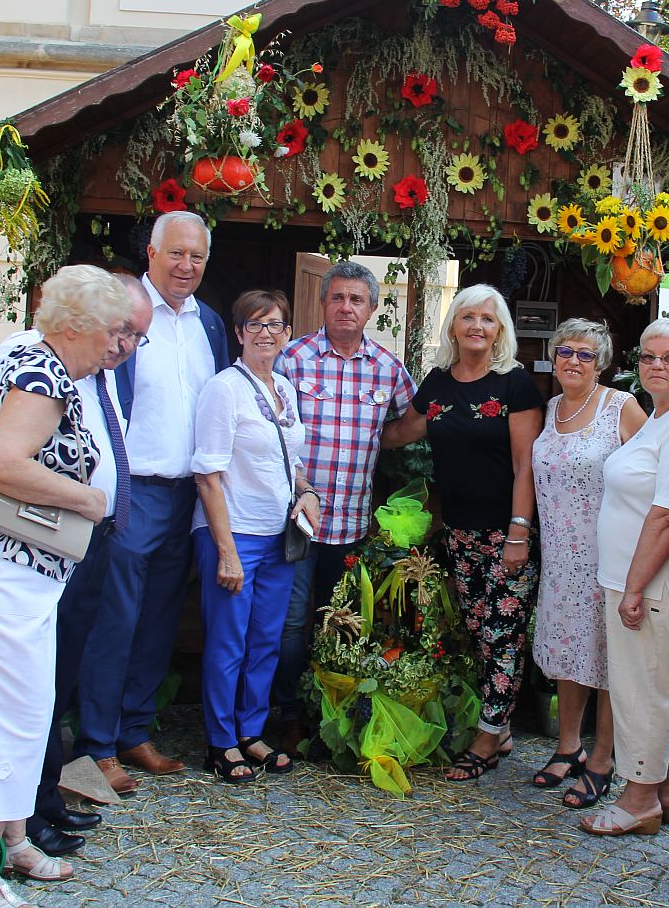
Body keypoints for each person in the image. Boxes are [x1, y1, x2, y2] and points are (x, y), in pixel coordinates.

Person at [0, 274, 152, 857]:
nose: (116, 345)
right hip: (5, 560)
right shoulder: (37, 366)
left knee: (30, 708)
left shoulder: (59, 370)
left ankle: (15, 838)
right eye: (113, 330)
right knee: (5, 715)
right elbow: (0, 460)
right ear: (76, 326)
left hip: (38, 561)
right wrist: (87, 499)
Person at [75, 211, 230, 794]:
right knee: (115, 620)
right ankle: (95, 745)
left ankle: (134, 731)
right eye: (176, 254)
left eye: (196, 257)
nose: (186, 266)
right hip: (132, 490)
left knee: (160, 619)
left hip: (187, 493)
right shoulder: (122, 315)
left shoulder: (209, 324)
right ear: (151, 252)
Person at [382, 283, 543, 780]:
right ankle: (503, 726)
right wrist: (348, 430)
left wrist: (518, 532)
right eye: (468, 316)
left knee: (503, 635)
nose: (477, 326)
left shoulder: (514, 384)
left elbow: (525, 466)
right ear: (453, 324)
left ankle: (489, 738)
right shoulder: (437, 383)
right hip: (458, 533)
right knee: (478, 633)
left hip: (506, 534)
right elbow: (397, 433)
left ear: (500, 331)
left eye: (488, 319)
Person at [581, 317, 669, 837]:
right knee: (663, 686)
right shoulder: (668, 413)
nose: (656, 366)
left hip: (654, 582)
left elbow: (668, 514)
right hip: (641, 578)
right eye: (647, 357)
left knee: (641, 689)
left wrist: (635, 587)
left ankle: (638, 797)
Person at [272, 262, 416, 741]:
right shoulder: (291, 359)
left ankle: (328, 712)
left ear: (372, 309)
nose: (346, 308)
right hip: (296, 520)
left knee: (339, 622)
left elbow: (409, 425)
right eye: (337, 298)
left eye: (357, 300)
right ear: (323, 303)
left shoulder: (388, 368)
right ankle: (287, 711)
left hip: (352, 524)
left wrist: (382, 441)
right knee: (292, 622)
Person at [192, 290, 321, 782]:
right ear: (239, 332)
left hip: (279, 534)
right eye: (256, 324)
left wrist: (307, 492)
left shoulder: (284, 389)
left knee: (266, 639)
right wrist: (225, 551)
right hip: (234, 533)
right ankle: (221, 740)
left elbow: (292, 462)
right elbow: (207, 474)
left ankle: (251, 730)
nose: (267, 333)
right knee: (229, 641)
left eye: (276, 325)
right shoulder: (223, 389)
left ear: (288, 334)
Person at [529, 318, 646, 809]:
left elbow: (650, 474)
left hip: (609, 554)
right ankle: (568, 745)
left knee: (608, 656)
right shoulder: (552, 407)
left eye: (584, 354)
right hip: (560, 556)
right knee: (567, 650)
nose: (572, 361)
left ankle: (603, 758)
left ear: (601, 364)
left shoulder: (621, 407)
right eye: (564, 352)